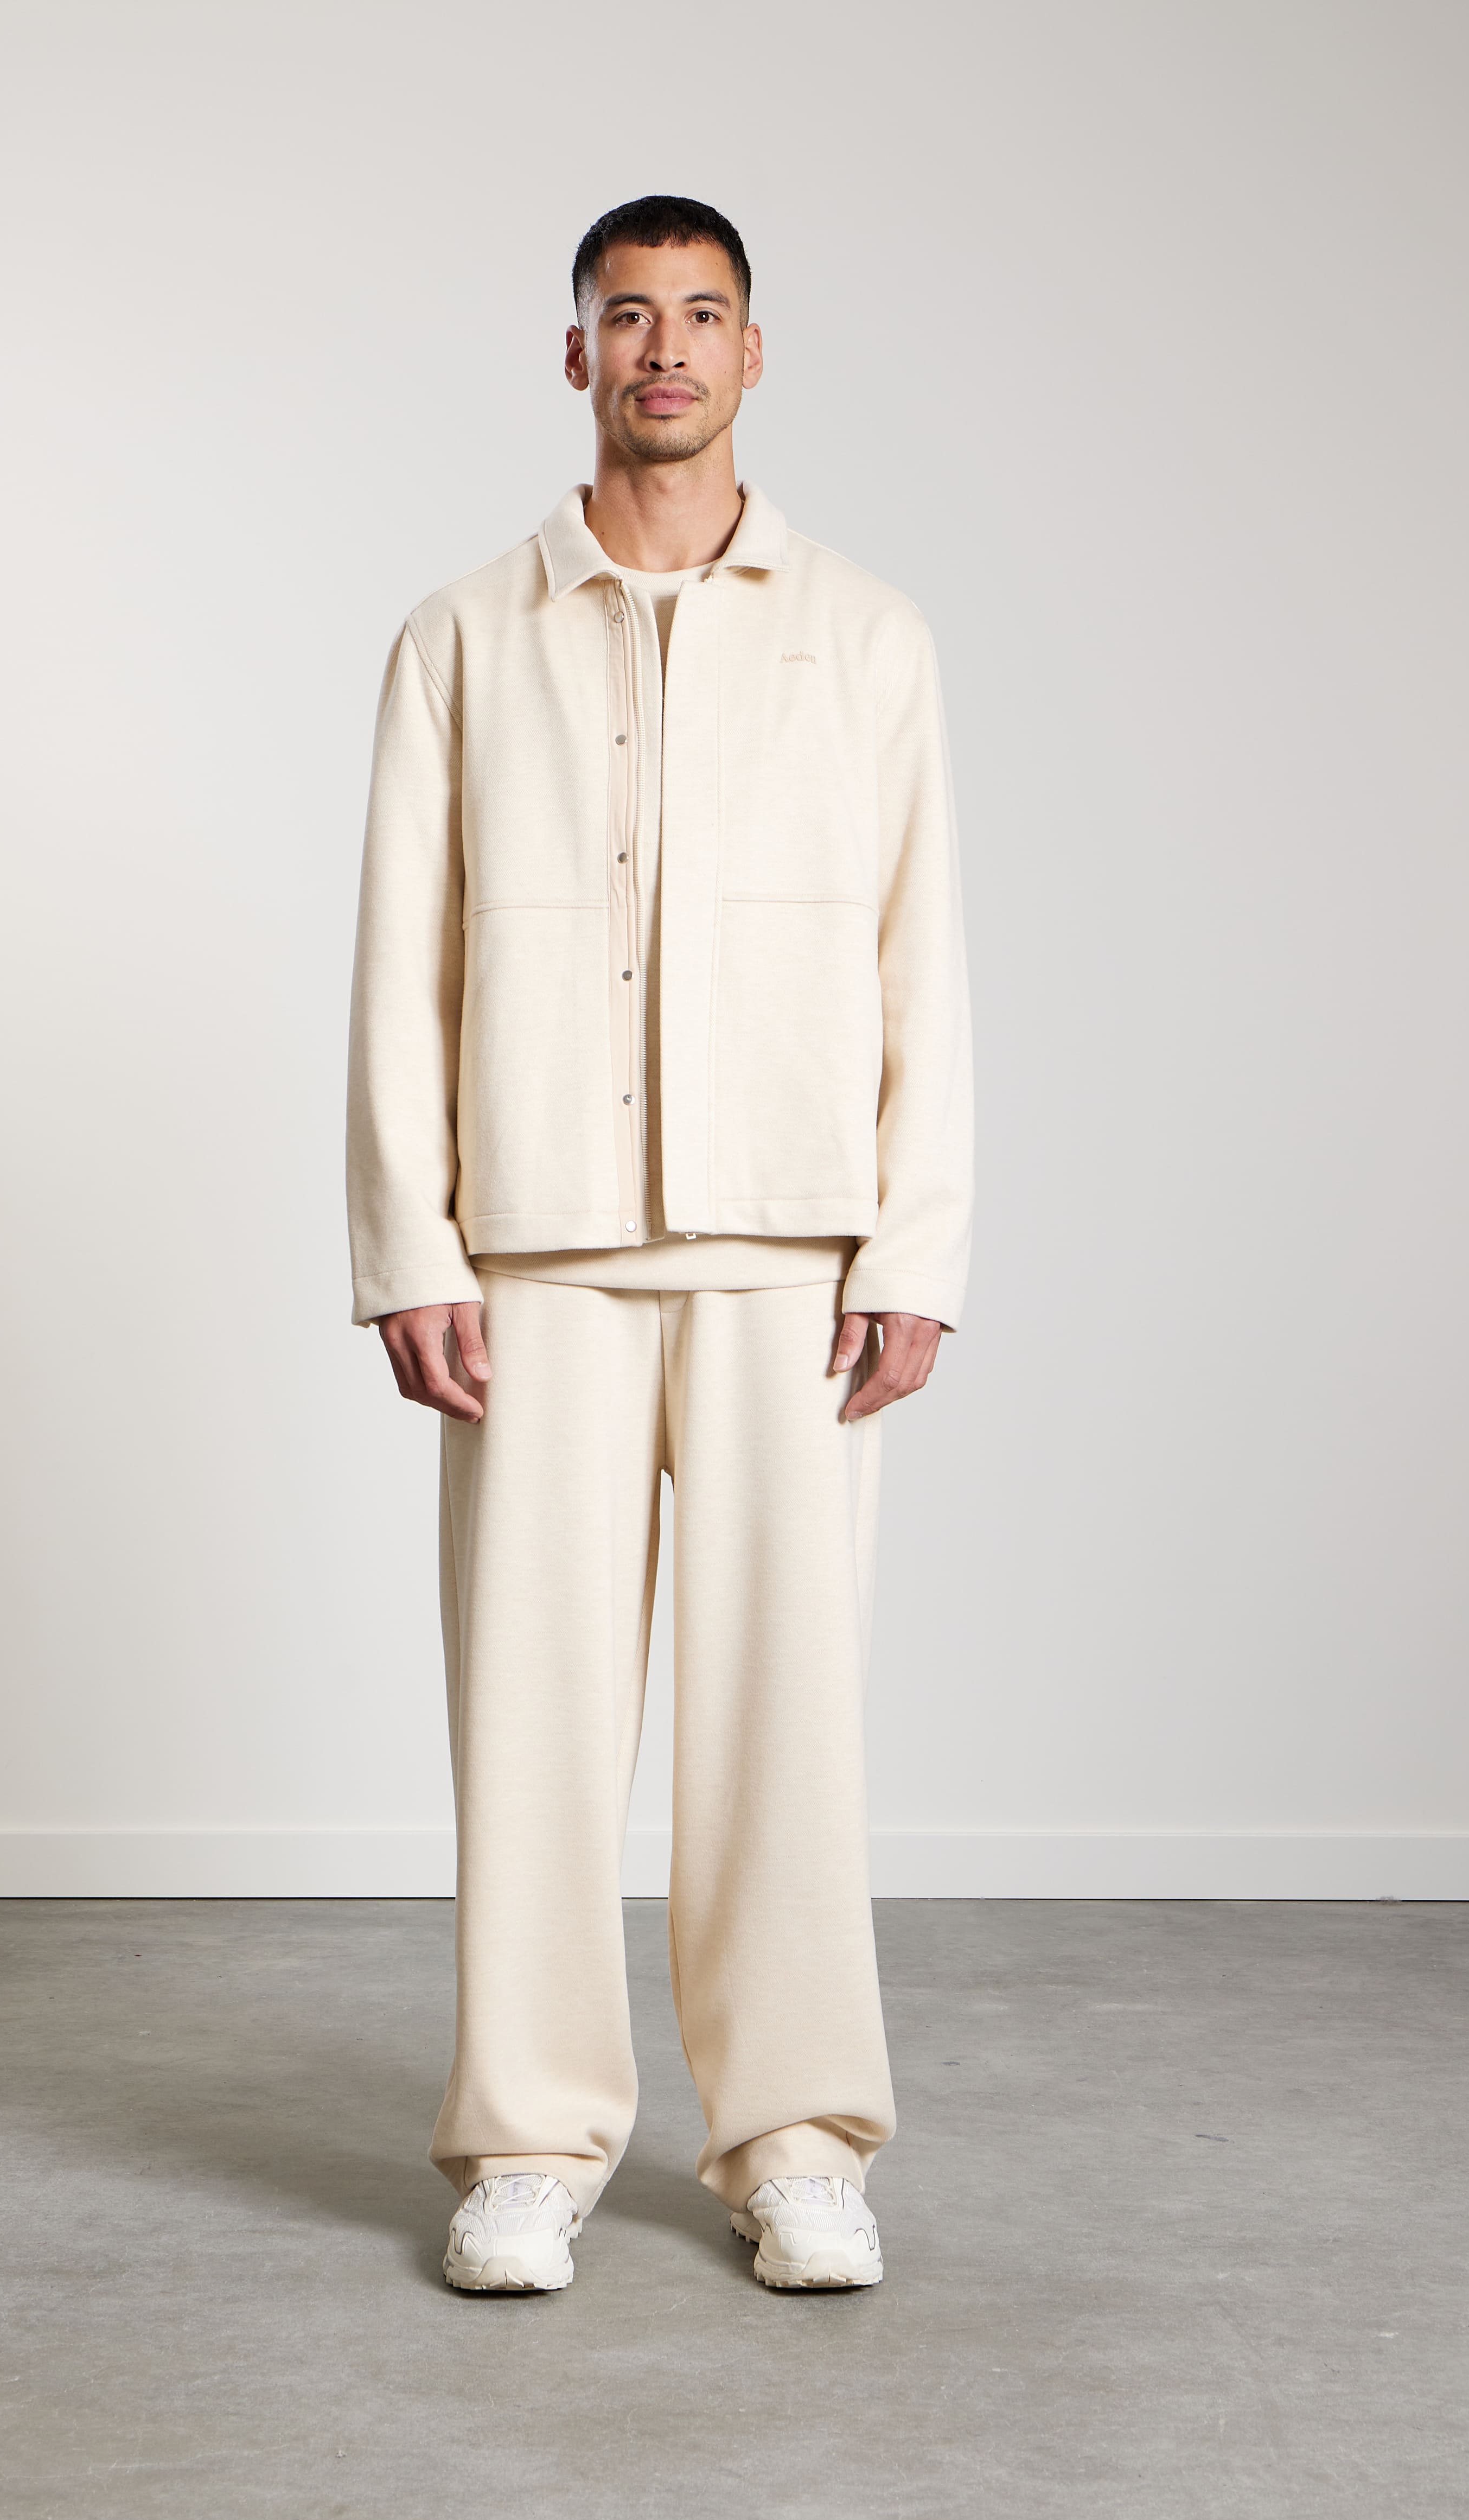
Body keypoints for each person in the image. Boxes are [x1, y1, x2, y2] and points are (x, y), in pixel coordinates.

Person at [347, 195, 972, 2292]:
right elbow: (401, 965)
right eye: (629, 316)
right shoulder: (462, 636)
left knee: (788, 1718)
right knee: (528, 1720)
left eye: (702, 314)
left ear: (752, 353)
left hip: (791, 1252)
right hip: (535, 1249)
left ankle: (795, 2141)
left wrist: (914, 1247)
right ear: (577, 355)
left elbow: (922, 957)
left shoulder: (865, 636)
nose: (666, 349)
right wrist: (410, 1243)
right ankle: (526, 2143)